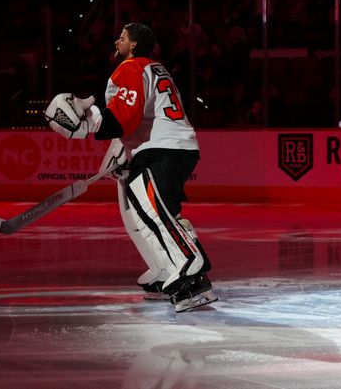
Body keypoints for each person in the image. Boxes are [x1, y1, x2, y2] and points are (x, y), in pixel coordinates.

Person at [44, 23, 216, 313]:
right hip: (174, 147)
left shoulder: (130, 67)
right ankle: (184, 277)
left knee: (152, 213)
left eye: (122, 37)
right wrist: (120, 153)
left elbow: (126, 116)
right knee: (158, 212)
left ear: (133, 45)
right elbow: (140, 118)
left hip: (159, 149)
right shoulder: (157, 69)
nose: (117, 40)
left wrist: (88, 123)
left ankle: (187, 264)